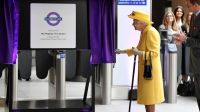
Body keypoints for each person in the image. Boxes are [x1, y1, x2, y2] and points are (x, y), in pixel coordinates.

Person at [116, 11, 165, 112]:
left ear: (142, 22)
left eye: (135, 21)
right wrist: (122, 51)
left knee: (150, 99)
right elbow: (137, 49)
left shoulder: (151, 32)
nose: (133, 24)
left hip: (150, 72)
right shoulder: (144, 32)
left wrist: (140, 53)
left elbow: (155, 54)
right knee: (147, 98)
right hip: (146, 71)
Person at [174, 0, 200, 110]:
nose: (186, 6)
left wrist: (187, 39)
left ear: (196, 5)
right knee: (198, 93)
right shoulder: (194, 16)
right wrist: (183, 39)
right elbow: (193, 37)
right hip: (196, 62)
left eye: (188, 4)